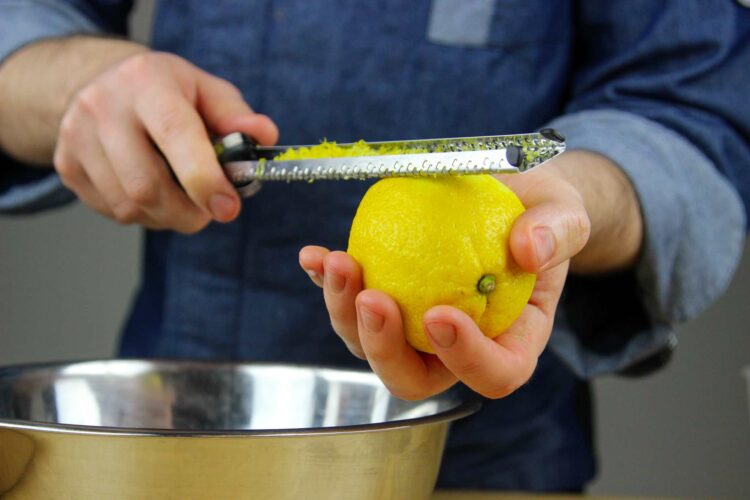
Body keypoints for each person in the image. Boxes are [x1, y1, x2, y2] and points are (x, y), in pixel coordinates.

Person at [0, 0, 748, 493]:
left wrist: (568, 204)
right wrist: (81, 84)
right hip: (165, 449)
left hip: (484, 467)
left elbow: (690, 107)